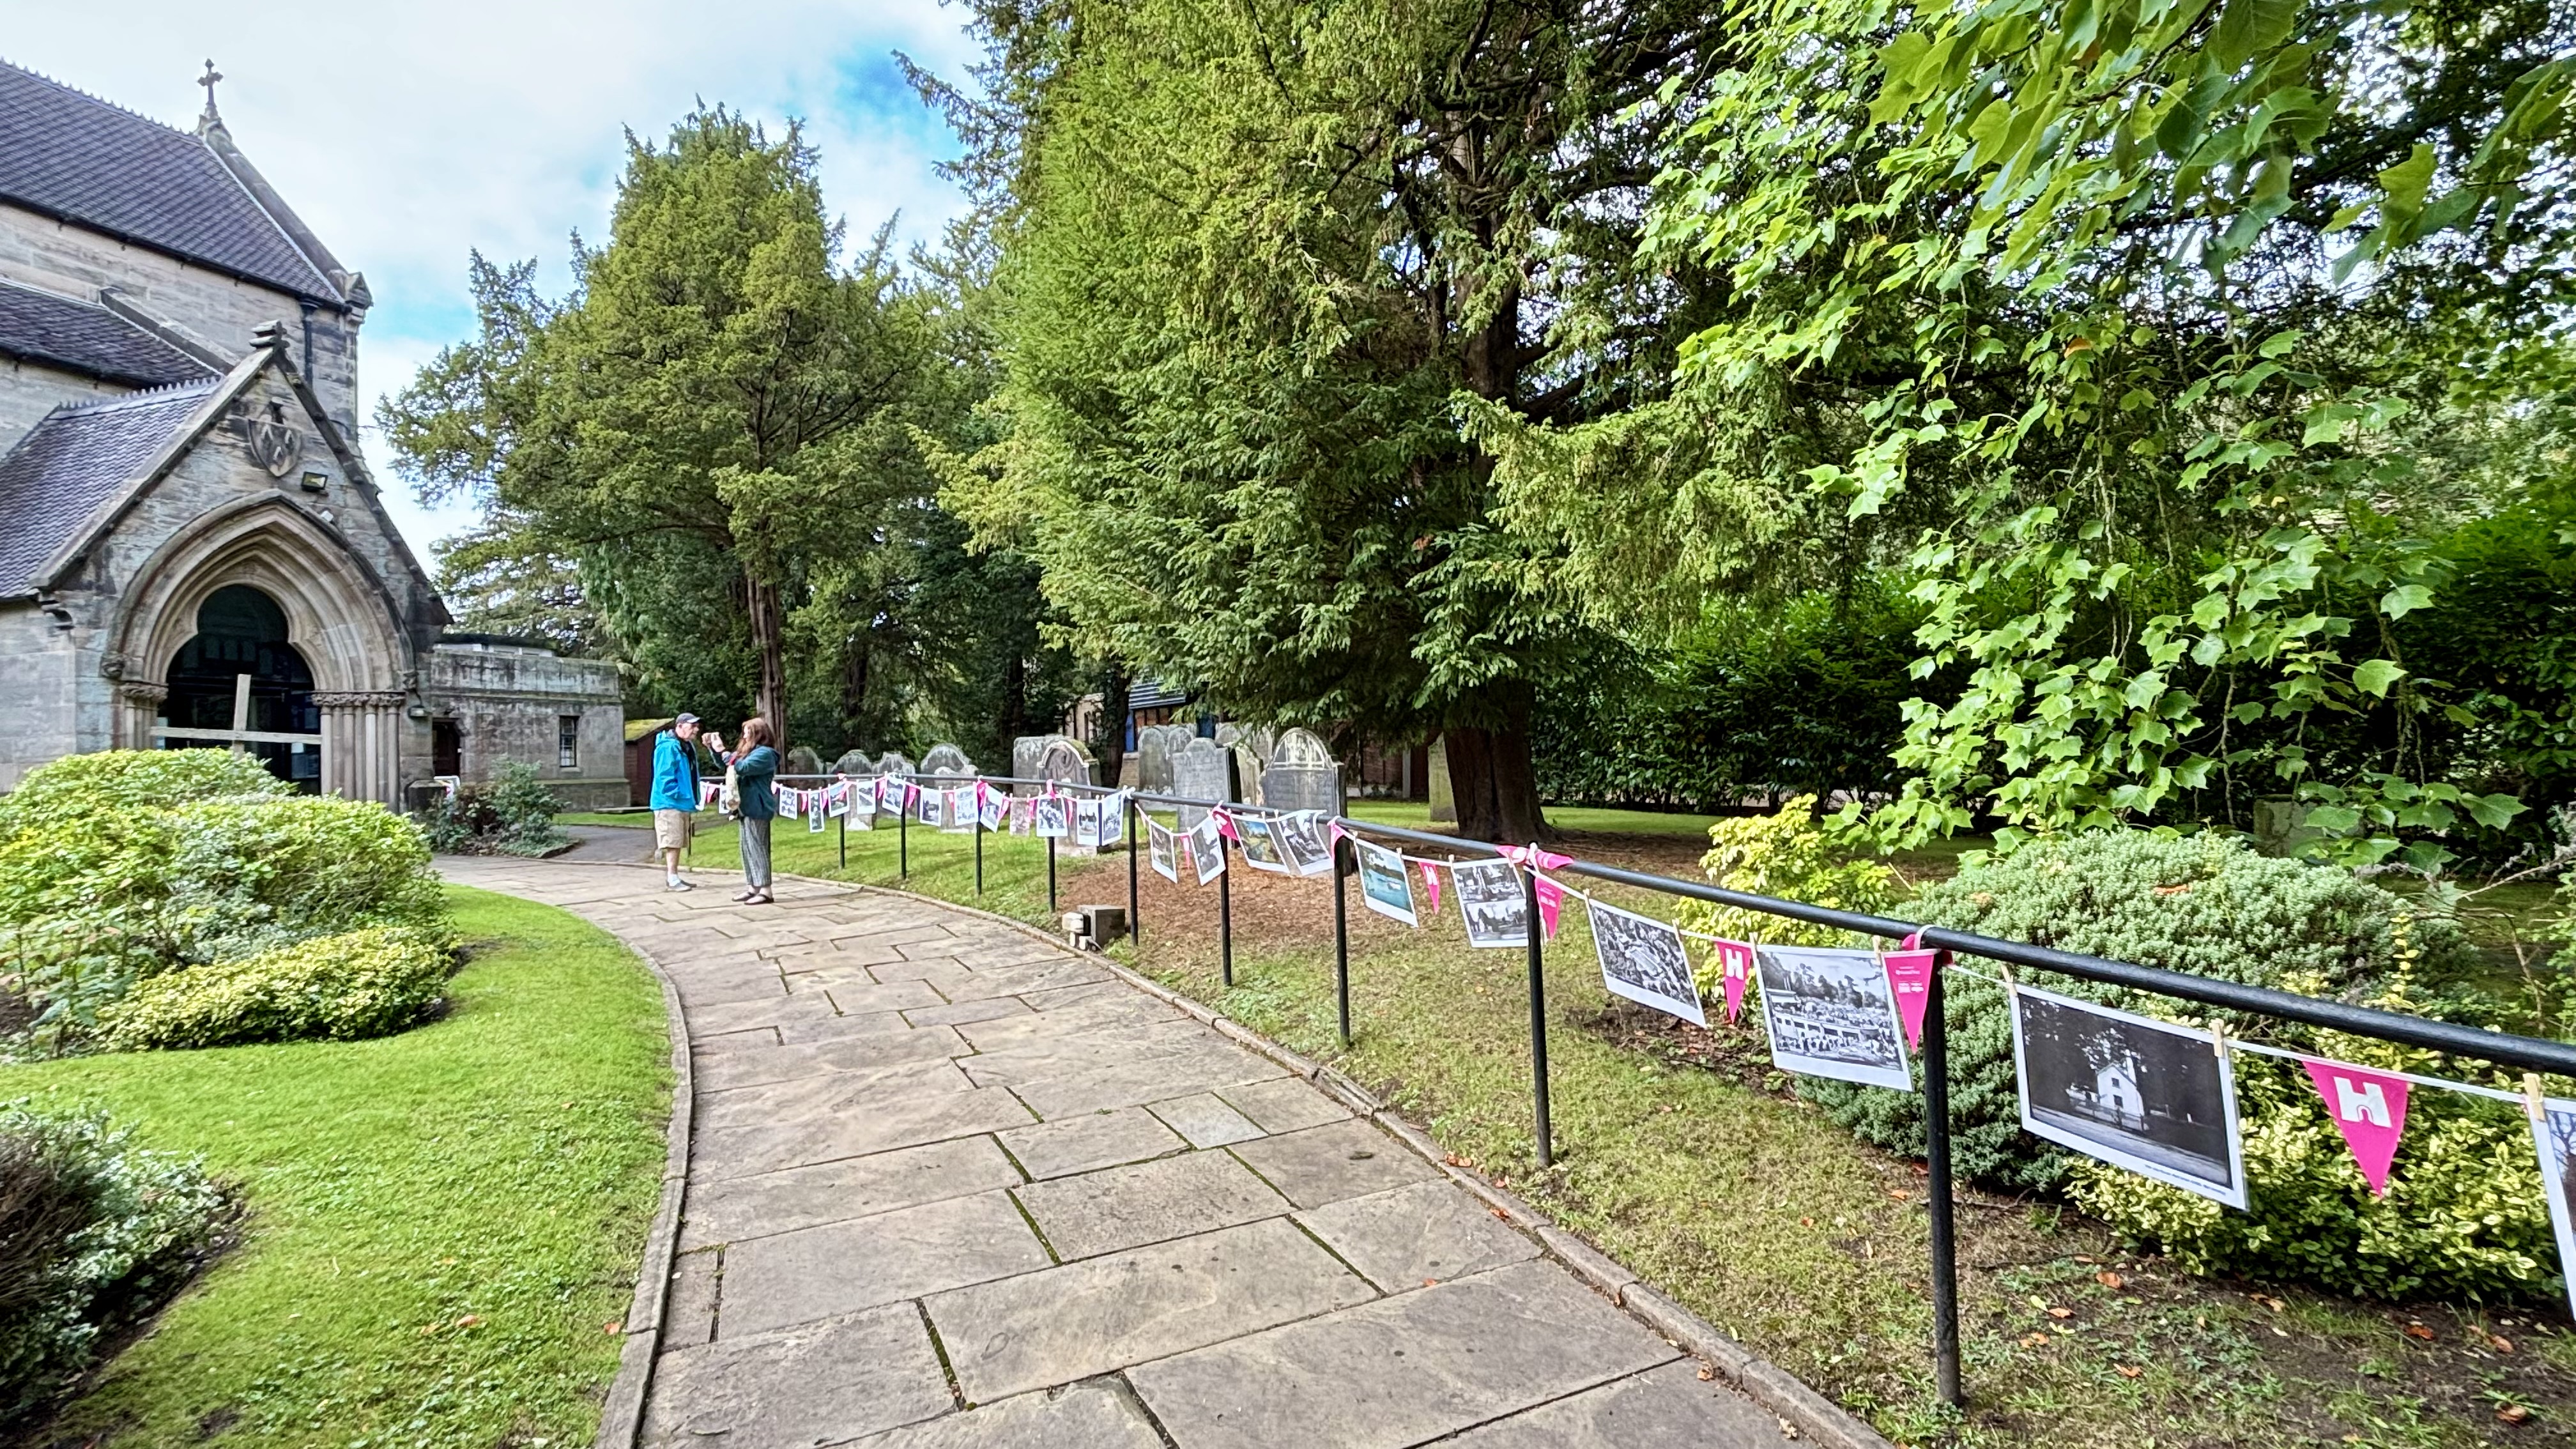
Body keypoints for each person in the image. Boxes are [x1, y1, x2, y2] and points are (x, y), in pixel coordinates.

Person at [720, 718, 780, 904]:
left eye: (748, 732)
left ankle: (766, 891)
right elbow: (729, 765)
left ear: (758, 734)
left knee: (758, 848)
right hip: (745, 807)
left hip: (758, 807)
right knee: (747, 849)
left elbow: (742, 768)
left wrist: (723, 751)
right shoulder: (749, 752)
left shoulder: (765, 754)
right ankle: (753, 887)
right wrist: (715, 750)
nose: (744, 735)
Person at [649, 714, 709, 891]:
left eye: (697, 726)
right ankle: (673, 879)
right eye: (692, 726)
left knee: (678, 841)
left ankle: (674, 876)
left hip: (681, 802)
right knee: (672, 842)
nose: (696, 729)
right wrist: (677, 793)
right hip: (669, 803)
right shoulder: (668, 747)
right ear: (680, 726)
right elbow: (664, 776)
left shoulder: (685, 746)